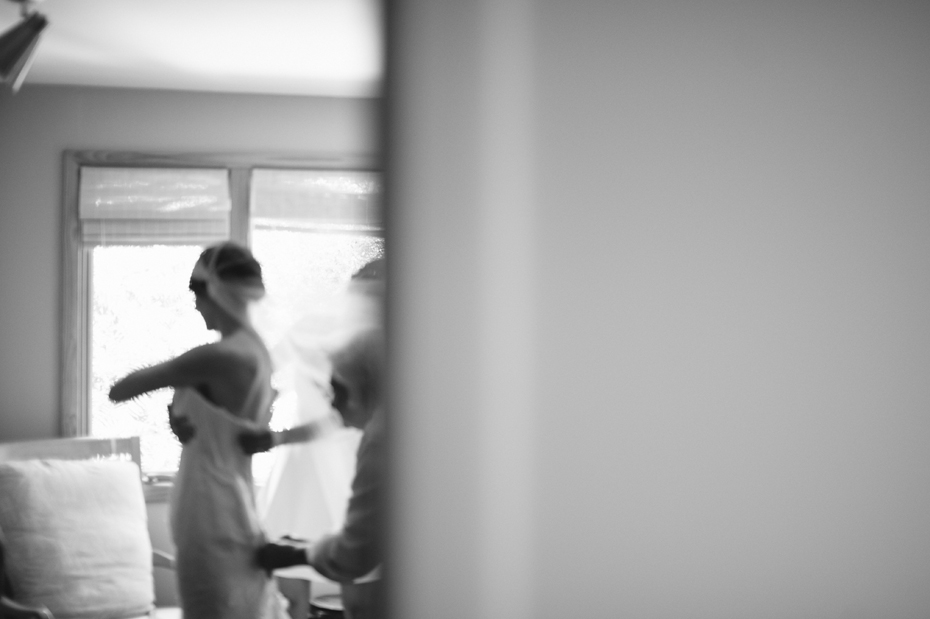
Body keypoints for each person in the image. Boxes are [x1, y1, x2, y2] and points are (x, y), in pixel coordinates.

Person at [109, 241, 284, 619]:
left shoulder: (216, 357)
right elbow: (244, 435)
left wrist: (179, 376)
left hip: (208, 509)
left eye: (197, 292)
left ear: (217, 292)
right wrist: (181, 411)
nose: (195, 304)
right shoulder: (261, 354)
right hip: (236, 502)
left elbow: (119, 390)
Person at [249, 327, 386, 619]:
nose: (332, 403)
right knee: (290, 599)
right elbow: (256, 370)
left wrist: (298, 552)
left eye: (337, 392)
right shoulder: (306, 331)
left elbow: (354, 553)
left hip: (341, 467)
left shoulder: (378, 441)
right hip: (300, 472)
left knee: (361, 599)